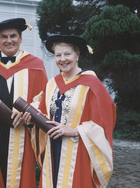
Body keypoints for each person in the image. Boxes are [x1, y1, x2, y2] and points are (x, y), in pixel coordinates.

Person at [25, 35, 116, 188]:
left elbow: (104, 120)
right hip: (53, 149)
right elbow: (44, 113)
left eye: (67, 54)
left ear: (77, 55)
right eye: (58, 55)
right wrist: (31, 118)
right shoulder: (52, 84)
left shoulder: (91, 85)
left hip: (78, 151)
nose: (63, 59)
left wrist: (74, 130)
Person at [0, 18, 48, 188]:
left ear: (20, 38)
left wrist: (28, 115)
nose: (9, 40)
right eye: (3, 37)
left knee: (22, 178)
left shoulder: (36, 65)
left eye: (13, 36)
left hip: (22, 132)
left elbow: (43, 99)